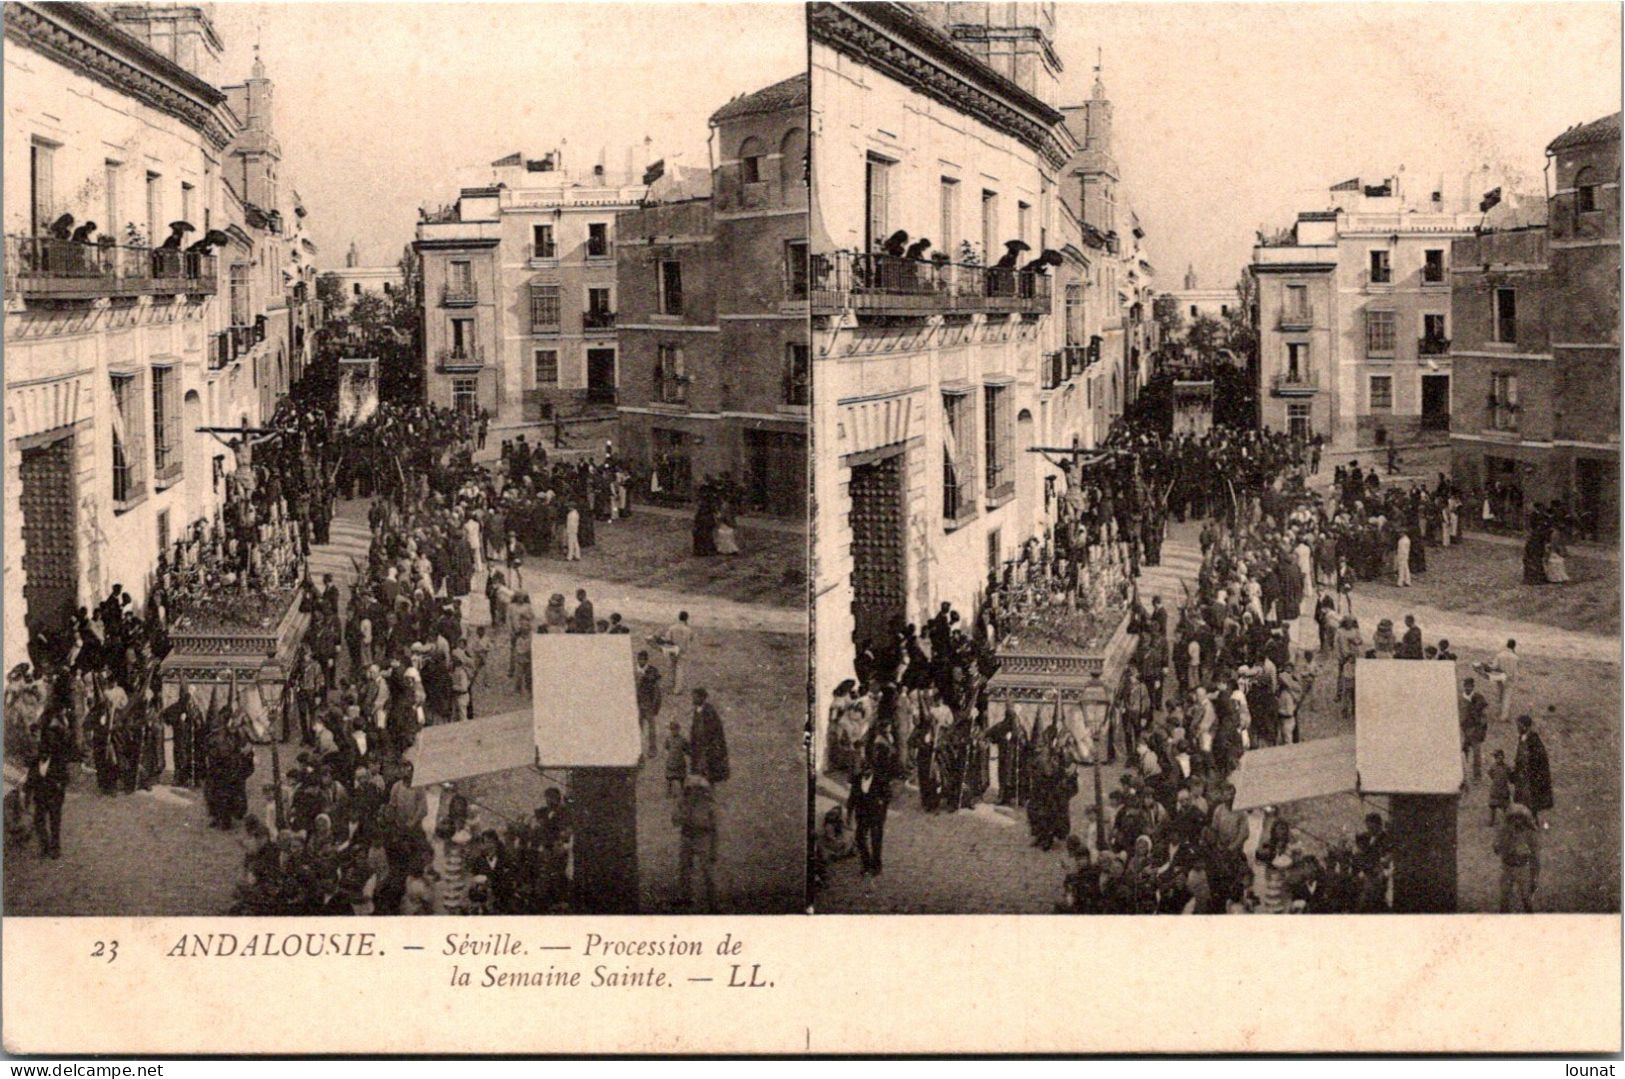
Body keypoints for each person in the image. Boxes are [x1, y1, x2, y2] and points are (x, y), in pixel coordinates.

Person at [674, 774, 718, 912]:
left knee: (707, 871)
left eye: (698, 789)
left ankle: (712, 900)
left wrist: (714, 849)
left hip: (703, 837)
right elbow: (675, 820)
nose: (695, 793)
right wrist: (682, 810)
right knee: (685, 869)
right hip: (687, 836)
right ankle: (685, 897)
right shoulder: (683, 803)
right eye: (691, 789)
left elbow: (714, 828)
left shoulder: (709, 805)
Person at [1493, 803, 1540, 912]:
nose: (1517, 822)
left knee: (1526, 898)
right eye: (1514, 819)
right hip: (1507, 867)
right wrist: (1503, 839)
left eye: (1520, 819)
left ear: (1525, 821)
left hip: (1522, 868)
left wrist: (1534, 877)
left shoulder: (1529, 835)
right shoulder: (1505, 832)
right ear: (1509, 820)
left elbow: (1535, 857)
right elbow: (1496, 849)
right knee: (1504, 898)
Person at [1512, 713, 1554, 828]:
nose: (1517, 728)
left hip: (1530, 775)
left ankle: (1532, 821)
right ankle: (1522, 820)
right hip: (1522, 774)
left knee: (1531, 799)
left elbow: (1539, 758)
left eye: (1519, 725)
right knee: (1521, 798)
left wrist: (1530, 768)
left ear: (1524, 726)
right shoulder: (1522, 738)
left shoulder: (1534, 740)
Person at [1459, 676, 1489, 785]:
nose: (1468, 688)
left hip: (1475, 731)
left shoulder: (1479, 698)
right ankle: (1461, 774)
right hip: (1464, 731)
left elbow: (1484, 718)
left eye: (1470, 687)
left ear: (1473, 687)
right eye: (1466, 686)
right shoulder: (1460, 699)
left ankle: (1477, 776)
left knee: (1476, 754)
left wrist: (1480, 731)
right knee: (1463, 753)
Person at [635, 650, 663, 758]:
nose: (641, 661)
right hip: (637, 703)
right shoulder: (635, 670)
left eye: (643, 659)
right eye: (639, 659)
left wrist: (655, 705)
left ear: (646, 660)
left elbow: (656, 688)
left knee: (651, 727)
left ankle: (652, 749)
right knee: (638, 728)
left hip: (648, 703)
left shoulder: (652, 670)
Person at [660, 611, 694, 692]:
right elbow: (691, 639)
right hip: (682, 651)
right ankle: (677, 689)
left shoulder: (672, 627)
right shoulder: (688, 629)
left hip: (673, 649)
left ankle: (671, 685)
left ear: (679, 617)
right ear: (686, 618)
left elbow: (667, 638)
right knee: (680, 669)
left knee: (672, 667)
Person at [1489, 639, 1519, 721]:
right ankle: (1504, 716)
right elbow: (1516, 671)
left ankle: (1497, 712)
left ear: (1507, 645)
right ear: (1514, 646)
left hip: (1500, 677)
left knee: (1499, 695)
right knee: (1507, 697)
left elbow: (1494, 666)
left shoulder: (1500, 655)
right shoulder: (1516, 657)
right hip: (1510, 679)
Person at [1487, 749, 1512, 826]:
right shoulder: (1493, 767)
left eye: (1501, 757)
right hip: (1495, 789)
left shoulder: (1506, 767)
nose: (1499, 759)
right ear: (1495, 758)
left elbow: (1509, 774)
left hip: (1504, 789)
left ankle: (1506, 821)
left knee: (1505, 807)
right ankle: (1492, 821)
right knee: (1493, 807)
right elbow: (1490, 774)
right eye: (1497, 757)